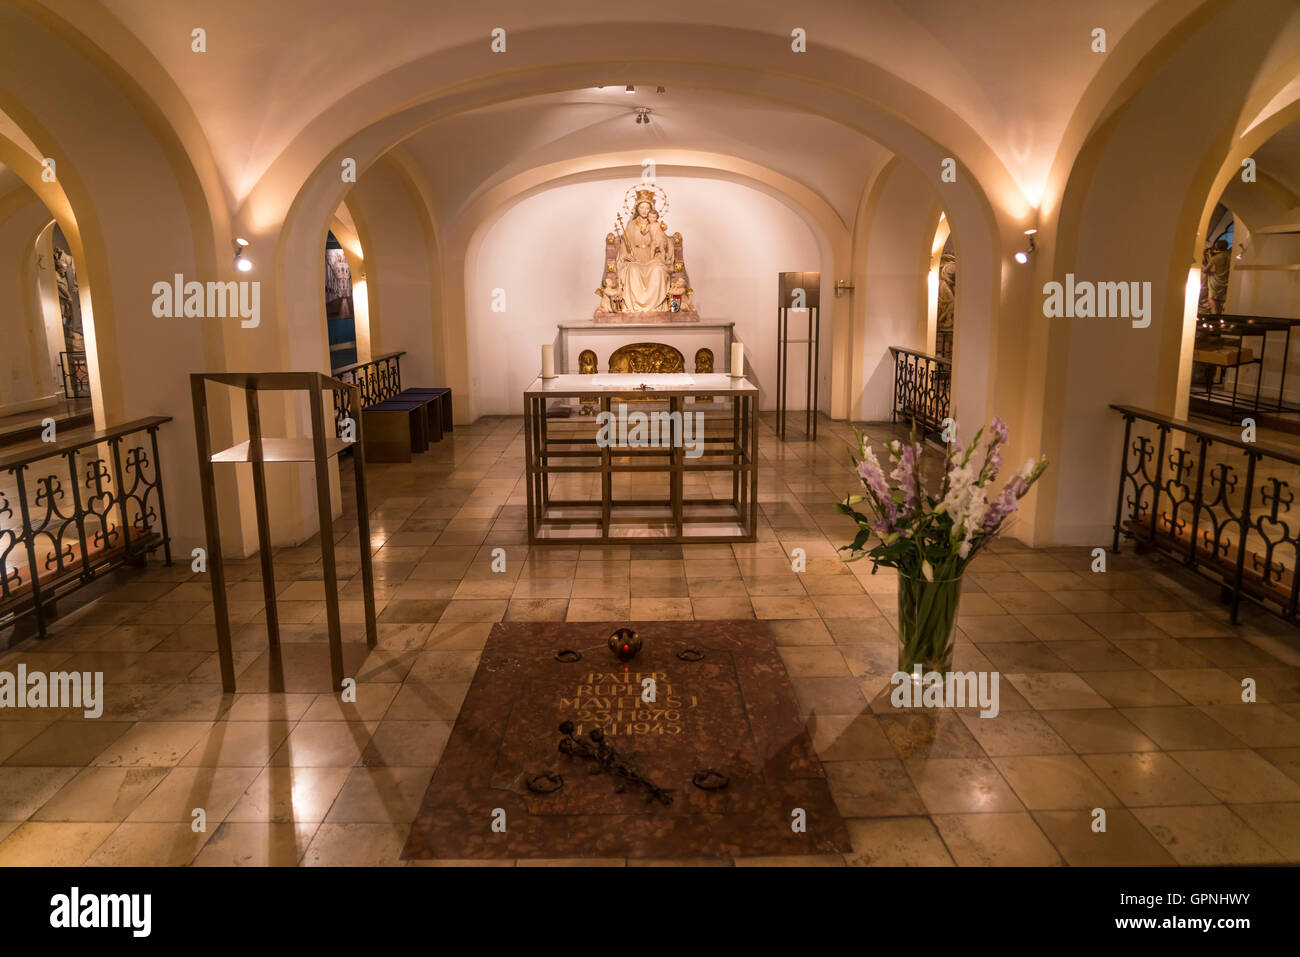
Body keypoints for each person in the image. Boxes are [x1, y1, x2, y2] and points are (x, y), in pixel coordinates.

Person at [617, 194, 672, 312]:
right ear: (637, 208)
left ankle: (655, 306)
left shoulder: (656, 224)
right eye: (642, 207)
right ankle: (635, 306)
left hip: (652, 256)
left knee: (658, 269)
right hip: (636, 257)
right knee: (632, 270)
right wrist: (626, 255)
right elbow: (624, 244)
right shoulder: (631, 225)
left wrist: (661, 246)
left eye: (647, 208)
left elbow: (664, 241)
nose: (644, 211)